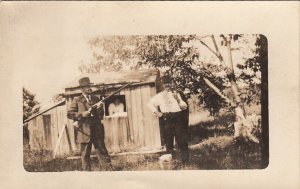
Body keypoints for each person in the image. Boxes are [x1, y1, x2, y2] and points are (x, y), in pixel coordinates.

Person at [67, 77, 112, 171]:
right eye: (87, 86)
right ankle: (87, 176)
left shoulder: (96, 99)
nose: (89, 88)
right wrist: (82, 114)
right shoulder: (77, 100)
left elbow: (101, 116)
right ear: (82, 89)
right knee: (85, 155)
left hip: (97, 131)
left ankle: (109, 172)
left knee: (103, 152)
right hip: (84, 131)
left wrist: (100, 108)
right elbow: (69, 114)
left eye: (89, 86)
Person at [147, 75, 189, 164]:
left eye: (169, 83)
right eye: (165, 83)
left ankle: (185, 162)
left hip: (177, 117)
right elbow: (150, 104)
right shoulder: (159, 96)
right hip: (166, 119)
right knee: (168, 141)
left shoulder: (177, 93)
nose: (167, 85)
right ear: (162, 85)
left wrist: (177, 99)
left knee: (181, 140)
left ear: (171, 83)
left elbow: (184, 107)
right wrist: (157, 113)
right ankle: (171, 162)